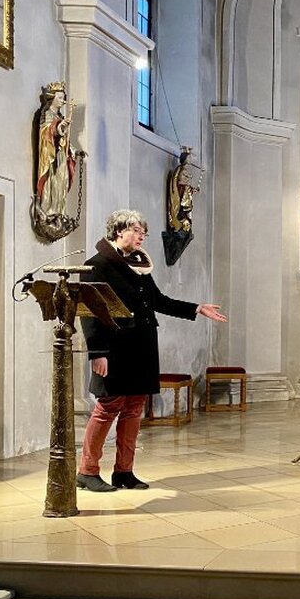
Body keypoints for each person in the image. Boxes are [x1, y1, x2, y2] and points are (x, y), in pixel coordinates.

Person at [77, 210, 228, 492]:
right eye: (137, 230)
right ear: (119, 231)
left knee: (134, 408)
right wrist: (97, 352)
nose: (142, 236)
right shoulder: (97, 265)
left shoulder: (139, 266)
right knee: (108, 406)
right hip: (114, 348)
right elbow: (89, 312)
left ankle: (124, 471)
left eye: (143, 231)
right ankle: (87, 471)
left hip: (141, 346)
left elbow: (158, 300)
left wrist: (195, 308)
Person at [34, 83, 77, 226]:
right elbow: (45, 133)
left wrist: (73, 150)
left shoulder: (59, 116)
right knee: (51, 181)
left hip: (60, 156)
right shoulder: (47, 114)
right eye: (59, 97)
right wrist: (59, 126)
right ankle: (49, 209)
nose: (62, 101)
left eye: (63, 98)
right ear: (52, 98)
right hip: (50, 156)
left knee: (61, 181)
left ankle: (58, 211)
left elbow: (65, 139)